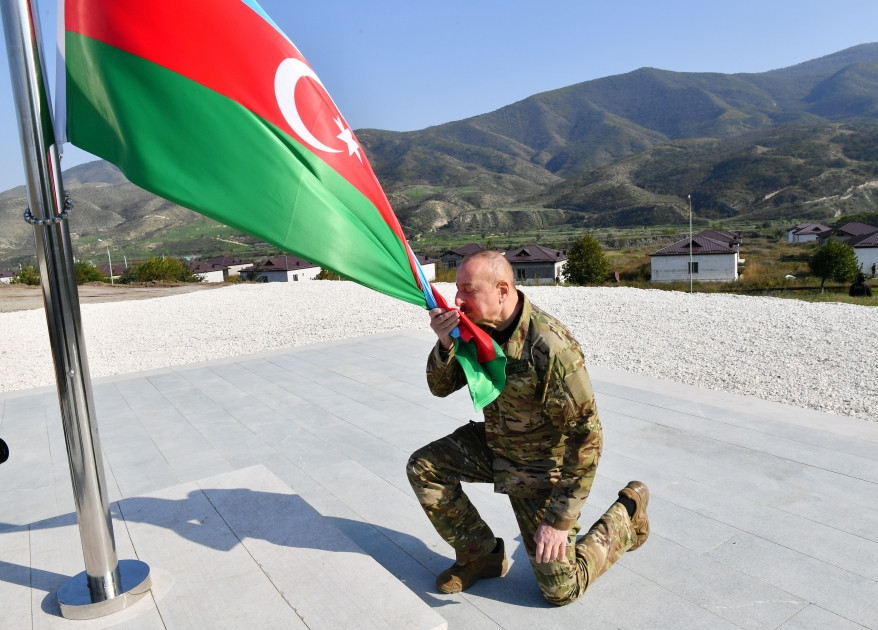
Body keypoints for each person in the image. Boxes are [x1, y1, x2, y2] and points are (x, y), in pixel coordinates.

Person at [406, 250, 649, 606]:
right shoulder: (474, 327)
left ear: (502, 290)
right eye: (457, 289)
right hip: (496, 443)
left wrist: (560, 520)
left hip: (540, 466)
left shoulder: (550, 347)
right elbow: (440, 387)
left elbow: (587, 436)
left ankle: (627, 514)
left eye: (468, 290)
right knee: (424, 467)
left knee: (560, 590)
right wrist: (445, 343)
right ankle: (480, 555)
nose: (457, 300)